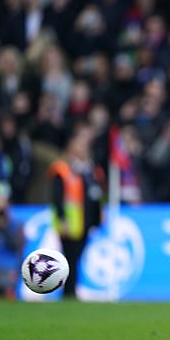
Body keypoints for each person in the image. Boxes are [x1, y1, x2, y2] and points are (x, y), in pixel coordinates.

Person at [48, 124, 104, 298]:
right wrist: (62, 218)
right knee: (70, 257)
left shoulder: (90, 170)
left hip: (85, 221)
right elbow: (57, 197)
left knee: (77, 257)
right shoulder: (63, 170)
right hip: (70, 222)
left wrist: (97, 218)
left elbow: (95, 196)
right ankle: (68, 291)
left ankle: (71, 290)